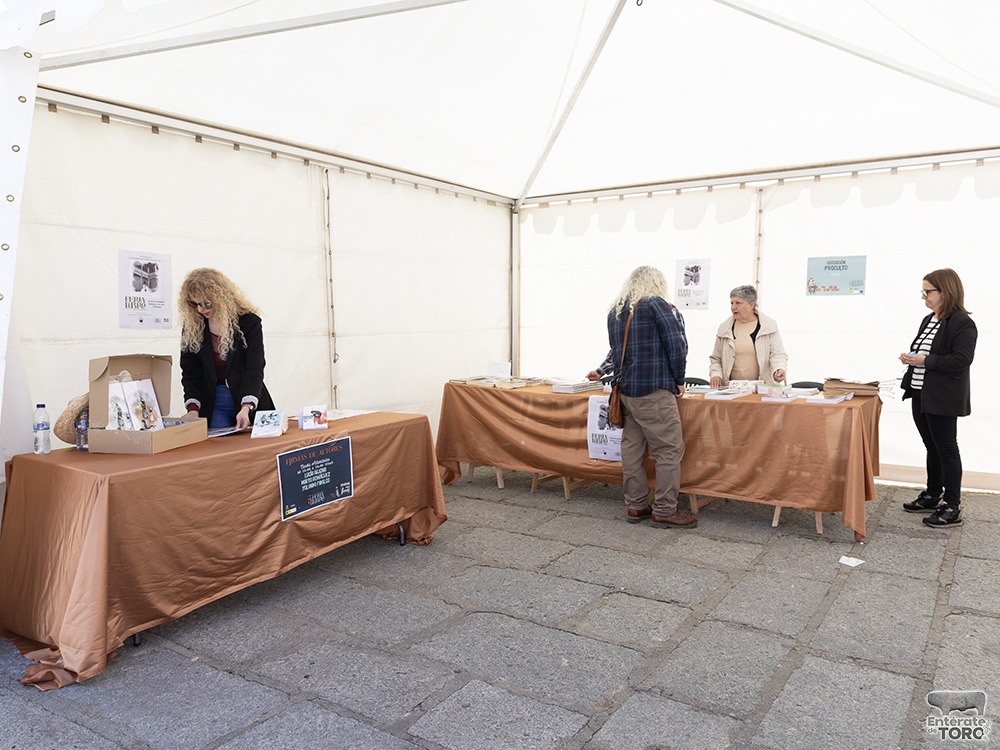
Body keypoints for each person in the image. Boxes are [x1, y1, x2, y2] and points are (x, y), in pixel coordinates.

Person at [608, 266, 696, 528]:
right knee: (669, 450)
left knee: (632, 450)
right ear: (657, 283)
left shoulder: (616, 311)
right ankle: (665, 510)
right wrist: (679, 379)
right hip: (654, 390)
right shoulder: (657, 304)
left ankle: (636, 506)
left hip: (626, 392)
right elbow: (676, 344)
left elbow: (615, 352)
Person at [899, 269, 977, 528]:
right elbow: (925, 351)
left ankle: (952, 505)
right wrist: (912, 358)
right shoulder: (929, 319)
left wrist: (925, 360)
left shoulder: (962, 322)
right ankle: (933, 494)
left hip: (943, 397)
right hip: (920, 394)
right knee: (931, 446)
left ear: (945, 292)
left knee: (947, 449)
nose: (924, 296)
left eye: (928, 291)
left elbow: (962, 359)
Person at [178, 268, 274, 430]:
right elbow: (190, 372)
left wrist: (246, 407)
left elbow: (255, 368)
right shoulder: (192, 327)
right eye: (194, 304)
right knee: (220, 448)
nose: (200, 310)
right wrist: (193, 409)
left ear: (220, 297)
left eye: (206, 303)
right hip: (215, 399)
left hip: (249, 396)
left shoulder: (249, 322)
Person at [709, 284, 787, 388]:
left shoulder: (768, 326)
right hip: (731, 389)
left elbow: (777, 354)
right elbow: (716, 359)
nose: (733, 307)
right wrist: (716, 375)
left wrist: (779, 369)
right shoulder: (724, 328)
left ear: (751, 305)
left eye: (738, 303)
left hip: (760, 389)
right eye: (731, 303)